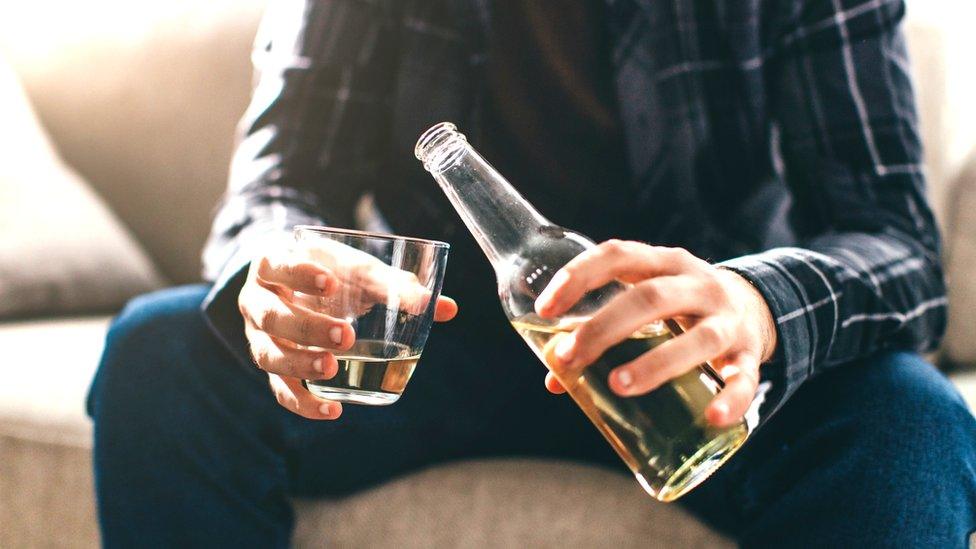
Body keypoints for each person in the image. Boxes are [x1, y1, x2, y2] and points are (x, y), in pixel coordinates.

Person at [88, 1, 976, 547]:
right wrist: (275, 267)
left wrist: (757, 302)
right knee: (159, 356)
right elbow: (280, 184)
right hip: (442, 341)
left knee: (909, 421)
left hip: (705, 358)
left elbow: (892, 236)